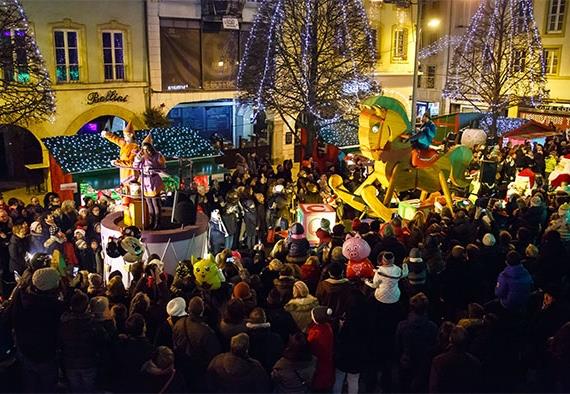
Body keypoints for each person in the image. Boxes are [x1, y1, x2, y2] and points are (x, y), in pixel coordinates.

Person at [172, 296, 221, 392]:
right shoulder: (206, 332)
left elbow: (174, 342)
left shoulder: (178, 323)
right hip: (199, 369)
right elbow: (214, 353)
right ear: (202, 311)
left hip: (183, 365)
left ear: (188, 309)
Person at [132, 134, 166, 230]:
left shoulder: (158, 156)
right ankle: (152, 222)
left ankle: (158, 223)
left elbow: (163, 167)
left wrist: (152, 169)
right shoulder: (141, 156)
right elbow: (136, 167)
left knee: (155, 203)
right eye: (144, 149)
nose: (145, 151)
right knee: (149, 203)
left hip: (154, 181)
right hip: (145, 181)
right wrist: (137, 160)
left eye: (147, 148)